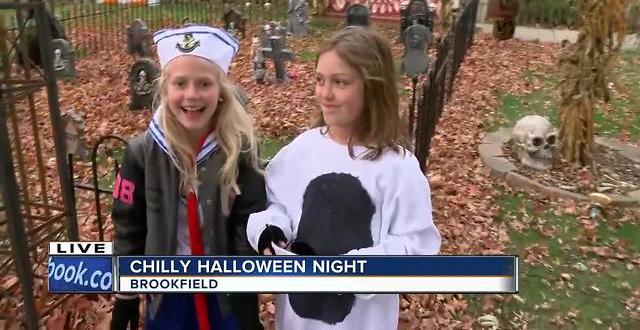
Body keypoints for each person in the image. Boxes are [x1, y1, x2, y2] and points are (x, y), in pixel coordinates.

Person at [246, 27, 442, 329]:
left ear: (371, 87)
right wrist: (270, 231)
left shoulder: (398, 168)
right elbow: (276, 206)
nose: (325, 93)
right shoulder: (301, 150)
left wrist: (353, 269)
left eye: (340, 82)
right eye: (319, 80)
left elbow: (417, 247)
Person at [111, 25, 265, 330]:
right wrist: (125, 293)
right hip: (167, 292)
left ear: (221, 92)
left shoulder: (239, 148)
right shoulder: (142, 153)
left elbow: (248, 224)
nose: (191, 95)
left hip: (224, 291)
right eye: (180, 83)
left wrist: (246, 293)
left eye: (204, 84)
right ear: (165, 88)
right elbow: (129, 226)